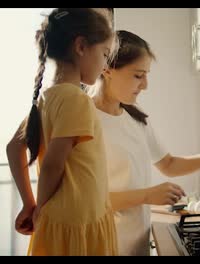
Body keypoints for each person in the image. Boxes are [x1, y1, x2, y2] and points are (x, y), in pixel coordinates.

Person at [92, 30, 200, 256]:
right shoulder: (84, 119)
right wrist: (146, 196)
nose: (145, 85)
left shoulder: (136, 119)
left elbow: (169, 164)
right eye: (138, 75)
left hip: (136, 243)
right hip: (100, 245)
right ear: (106, 69)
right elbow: (85, 202)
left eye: (146, 75)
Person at [6, 8, 118, 255]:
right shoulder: (75, 99)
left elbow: (14, 147)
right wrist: (38, 209)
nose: (105, 64)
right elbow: (52, 165)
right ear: (81, 46)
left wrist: (30, 203)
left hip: (63, 222)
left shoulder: (47, 98)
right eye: (104, 53)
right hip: (77, 223)